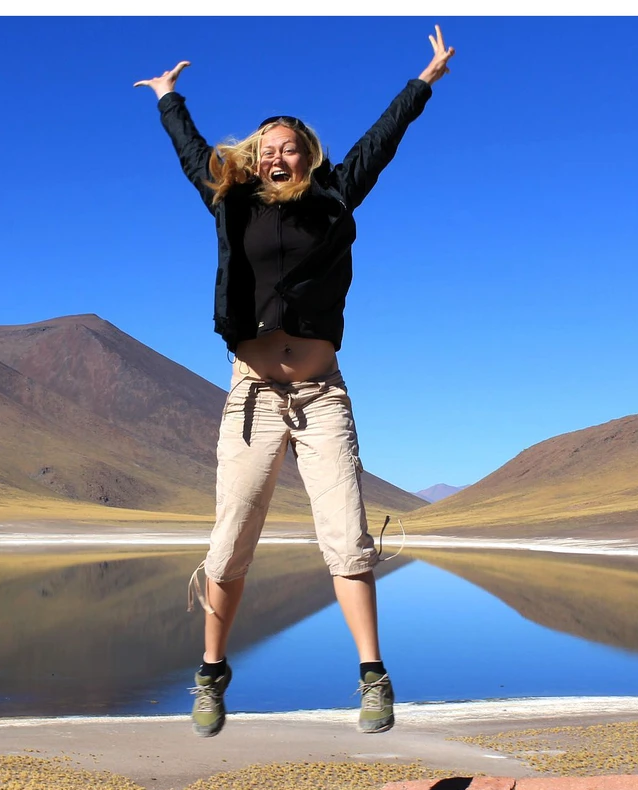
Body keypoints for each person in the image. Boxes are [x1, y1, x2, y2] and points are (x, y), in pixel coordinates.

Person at [134, 25, 455, 737]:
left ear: (308, 155)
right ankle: (211, 671)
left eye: (288, 147)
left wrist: (423, 82)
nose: (276, 156)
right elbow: (191, 155)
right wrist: (168, 98)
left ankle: (373, 675)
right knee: (230, 541)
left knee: (347, 536)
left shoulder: (336, 195)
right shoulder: (231, 200)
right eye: (266, 148)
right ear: (254, 158)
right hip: (252, 397)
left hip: (320, 394)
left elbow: (381, 140)